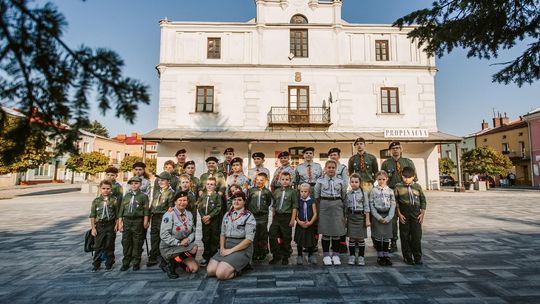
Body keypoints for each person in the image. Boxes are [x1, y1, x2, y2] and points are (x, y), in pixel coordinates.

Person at [207, 191, 256, 280]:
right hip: (227, 246)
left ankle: (240, 268)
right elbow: (222, 234)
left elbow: (248, 240)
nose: (236, 202)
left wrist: (230, 251)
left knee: (221, 274)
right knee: (211, 271)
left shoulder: (249, 216)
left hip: (241, 248)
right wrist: (222, 248)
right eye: (234, 200)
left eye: (239, 200)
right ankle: (229, 265)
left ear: (244, 202)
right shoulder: (227, 214)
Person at [381, 141, 416, 253]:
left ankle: (407, 243)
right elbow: (383, 179)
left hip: (405, 194)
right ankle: (394, 242)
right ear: (390, 150)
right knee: (392, 219)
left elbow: (414, 180)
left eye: (397, 148)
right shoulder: (386, 163)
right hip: (391, 193)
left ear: (401, 149)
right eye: (393, 148)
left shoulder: (408, 162)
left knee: (406, 219)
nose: (395, 150)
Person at [159, 191, 199, 279]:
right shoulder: (169, 214)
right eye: (180, 200)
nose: (182, 202)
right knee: (194, 247)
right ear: (175, 202)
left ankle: (176, 261)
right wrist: (178, 242)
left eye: (184, 200)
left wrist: (188, 239)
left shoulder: (189, 214)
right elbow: (164, 235)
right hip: (169, 247)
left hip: (183, 246)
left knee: (193, 269)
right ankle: (170, 265)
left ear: (187, 202)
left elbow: (193, 231)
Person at [315, 160, 347, 266]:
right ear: (325, 169)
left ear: (336, 169)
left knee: (336, 232)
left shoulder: (341, 181)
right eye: (329, 167)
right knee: (326, 232)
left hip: (337, 205)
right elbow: (317, 196)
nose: (331, 169)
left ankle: (336, 255)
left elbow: (343, 195)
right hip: (324, 205)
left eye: (333, 168)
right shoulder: (320, 181)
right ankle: (326, 255)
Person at [395, 167, 427, 265]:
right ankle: (407, 257)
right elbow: (395, 202)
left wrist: (422, 214)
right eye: (405, 177)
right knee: (405, 235)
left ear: (413, 177)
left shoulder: (417, 186)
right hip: (404, 212)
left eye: (409, 177)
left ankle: (417, 256)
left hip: (415, 212)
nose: (407, 179)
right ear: (402, 176)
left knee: (416, 235)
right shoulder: (398, 186)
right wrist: (399, 214)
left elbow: (423, 200)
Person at [118, 176, 150, 271]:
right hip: (127, 221)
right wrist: (120, 222)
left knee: (137, 241)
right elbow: (121, 210)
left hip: (138, 221)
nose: (134, 185)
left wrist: (145, 222)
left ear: (140, 184)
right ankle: (126, 262)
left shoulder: (143, 196)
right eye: (132, 183)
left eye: (136, 183)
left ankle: (136, 261)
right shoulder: (126, 196)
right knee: (126, 242)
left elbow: (146, 211)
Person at [89, 180, 120, 272]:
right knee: (98, 245)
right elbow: (93, 215)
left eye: (108, 188)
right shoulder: (96, 201)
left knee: (109, 245)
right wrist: (93, 228)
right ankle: (96, 264)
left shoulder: (114, 200)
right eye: (103, 188)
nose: (105, 190)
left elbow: (117, 214)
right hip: (100, 225)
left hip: (110, 224)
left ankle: (109, 263)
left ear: (111, 189)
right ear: (100, 189)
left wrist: (117, 224)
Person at [146, 172, 175, 267]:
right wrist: (149, 217)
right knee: (154, 237)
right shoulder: (158, 191)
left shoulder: (171, 193)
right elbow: (153, 205)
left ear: (168, 182)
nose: (160, 182)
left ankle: (164, 258)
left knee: (164, 238)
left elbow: (171, 208)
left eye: (163, 180)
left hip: (163, 218)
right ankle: (153, 255)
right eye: (159, 180)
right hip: (155, 217)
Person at [269, 172, 298, 265]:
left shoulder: (293, 192)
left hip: (287, 217)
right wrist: (273, 218)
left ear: (290, 181)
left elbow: (294, 206)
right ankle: (276, 255)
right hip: (277, 216)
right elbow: (274, 205)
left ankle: (285, 255)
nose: (285, 181)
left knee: (286, 237)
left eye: (287, 179)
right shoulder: (276, 191)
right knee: (272, 235)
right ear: (279, 180)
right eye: (283, 179)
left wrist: (293, 219)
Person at [370, 170, 396, 266]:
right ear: (376, 179)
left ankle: (386, 256)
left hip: (387, 215)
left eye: (383, 179)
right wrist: (377, 217)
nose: (381, 181)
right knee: (378, 237)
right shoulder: (373, 191)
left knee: (386, 238)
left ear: (387, 179)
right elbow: (371, 205)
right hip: (378, 216)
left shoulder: (390, 191)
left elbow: (393, 204)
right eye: (379, 179)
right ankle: (380, 256)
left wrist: (389, 217)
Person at [345, 173, 370, 266]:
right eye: (352, 182)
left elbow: (367, 208)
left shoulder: (364, 193)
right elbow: (346, 208)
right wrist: (345, 218)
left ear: (360, 183)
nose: (354, 183)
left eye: (356, 182)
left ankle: (361, 257)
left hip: (360, 217)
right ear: (350, 183)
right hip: (351, 217)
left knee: (360, 238)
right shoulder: (348, 194)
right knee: (351, 238)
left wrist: (367, 220)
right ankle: (351, 256)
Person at [247, 173, 273, 262]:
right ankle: (254, 252)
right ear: (255, 181)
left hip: (263, 216)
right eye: (257, 180)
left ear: (265, 181)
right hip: (253, 215)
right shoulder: (251, 191)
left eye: (261, 180)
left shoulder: (267, 192)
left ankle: (262, 252)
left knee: (262, 234)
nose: (259, 182)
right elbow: (248, 202)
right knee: (254, 234)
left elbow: (269, 202)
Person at [327, 147, 349, 254]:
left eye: (335, 155)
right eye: (331, 155)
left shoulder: (343, 168)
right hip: (330, 198)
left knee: (341, 221)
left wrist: (342, 197)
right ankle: (334, 243)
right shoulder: (327, 167)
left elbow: (345, 183)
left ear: (339, 156)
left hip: (340, 197)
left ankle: (343, 244)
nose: (333, 157)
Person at [198, 177, 223, 266]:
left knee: (214, 238)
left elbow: (218, 208)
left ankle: (214, 256)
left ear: (215, 186)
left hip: (214, 221)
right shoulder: (202, 196)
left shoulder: (217, 196)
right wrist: (203, 217)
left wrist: (209, 216)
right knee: (206, 238)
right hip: (205, 221)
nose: (209, 186)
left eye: (212, 184)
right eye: (208, 184)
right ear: (205, 185)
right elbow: (199, 207)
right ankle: (206, 256)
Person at [294, 183, 318, 265]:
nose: (303, 193)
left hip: (309, 223)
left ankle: (311, 255)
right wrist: (299, 221)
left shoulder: (311, 200)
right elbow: (295, 213)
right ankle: (299, 255)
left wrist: (311, 222)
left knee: (310, 240)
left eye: (305, 191)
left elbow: (315, 213)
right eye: (301, 191)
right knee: (299, 240)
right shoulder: (298, 200)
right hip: (300, 223)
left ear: (309, 192)